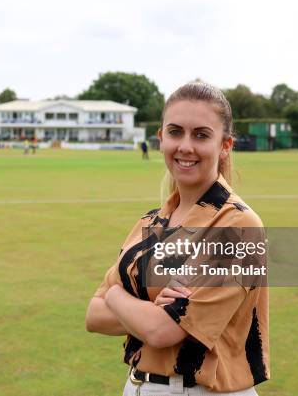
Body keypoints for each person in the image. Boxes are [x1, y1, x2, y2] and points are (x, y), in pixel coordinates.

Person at [86, 82, 269, 395]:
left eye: (201, 134)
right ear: (160, 139)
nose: (186, 146)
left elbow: (162, 331)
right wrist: (152, 306)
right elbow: (93, 316)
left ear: (225, 145)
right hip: (138, 386)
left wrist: (117, 296)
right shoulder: (150, 222)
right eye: (175, 132)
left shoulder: (238, 225)